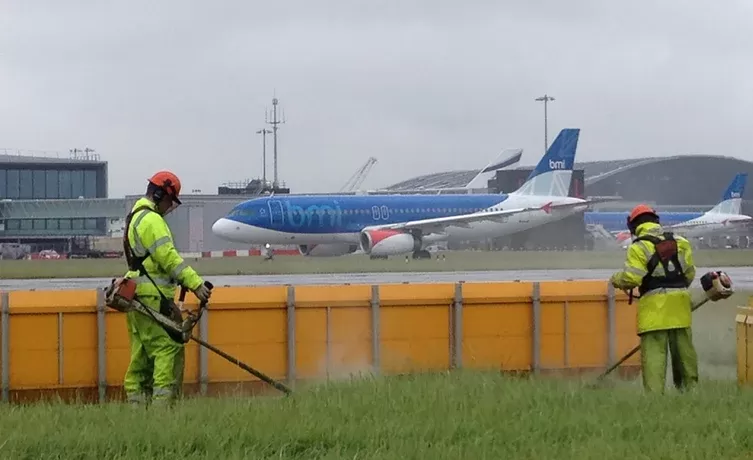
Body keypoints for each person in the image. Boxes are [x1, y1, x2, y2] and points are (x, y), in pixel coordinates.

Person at [121, 170, 212, 405]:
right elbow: (168, 258)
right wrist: (196, 284)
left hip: (135, 295)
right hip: (153, 297)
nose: (170, 207)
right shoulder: (152, 220)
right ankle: (162, 413)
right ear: (160, 193)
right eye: (169, 201)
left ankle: (136, 411)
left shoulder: (135, 217)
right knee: (166, 349)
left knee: (140, 355)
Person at [609, 204, 698, 393]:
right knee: (685, 357)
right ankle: (690, 394)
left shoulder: (639, 246)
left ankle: (655, 399)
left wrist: (616, 280)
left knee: (654, 359)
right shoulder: (681, 242)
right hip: (681, 309)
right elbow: (689, 274)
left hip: (654, 312)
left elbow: (631, 278)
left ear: (633, 227)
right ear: (656, 221)